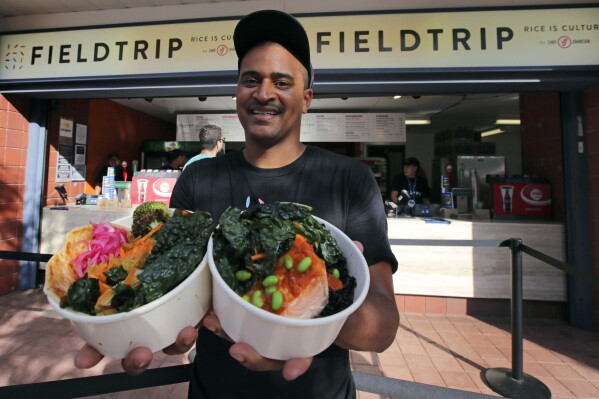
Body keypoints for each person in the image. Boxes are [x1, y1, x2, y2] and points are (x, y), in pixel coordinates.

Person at [75, 10, 399, 399]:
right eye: (251, 80)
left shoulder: (350, 179)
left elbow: (383, 328)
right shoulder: (198, 179)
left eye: (282, 82)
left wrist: (311, 305)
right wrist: (151, 327)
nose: (264, 93)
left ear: (307, 98)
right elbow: (177, 290)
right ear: (236, 93)